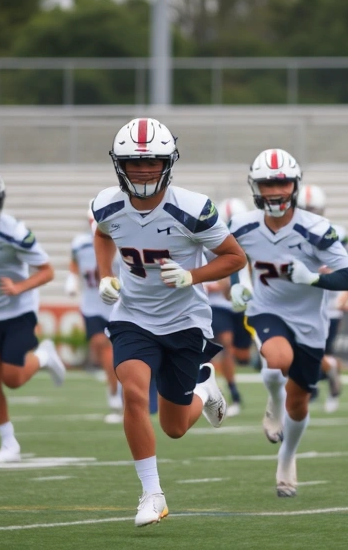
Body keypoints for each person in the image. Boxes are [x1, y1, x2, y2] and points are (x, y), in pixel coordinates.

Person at [90, 118, 245, 526]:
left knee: (174, 426)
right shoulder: (106, 202)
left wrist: (193, 275)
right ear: (118, 164)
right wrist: (105, 273)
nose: (143, 171)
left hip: (184, 320)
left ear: (168, 163)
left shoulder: (192, 208)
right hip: (133, 317)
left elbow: (234, 257)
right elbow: (104, 233)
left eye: (152, 162)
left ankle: (205, 388)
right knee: (135, 393)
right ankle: (151, 494)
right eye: (134, 163)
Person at [228, 148, 348, 497]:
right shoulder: (241, 225)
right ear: (255, 186)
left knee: (298, 401)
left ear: (294, 185)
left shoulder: (316, 229)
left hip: (310, 324)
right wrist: (238, 285)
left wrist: (313, 278)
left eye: (281, 182)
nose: (274, 190)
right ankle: (272, 400)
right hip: (266, 309)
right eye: (267, 183)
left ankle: (287, 457)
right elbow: (229, 256)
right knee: (277, 361)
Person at [0, 167, 65, 463]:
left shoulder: (13, 230)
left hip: (19, 308)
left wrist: (20, 286)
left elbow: (47, 271)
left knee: (12, 378)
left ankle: (43, 355)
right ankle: (9, 443)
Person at [295, 185, 345, 413]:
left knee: (317, 352)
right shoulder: (291, 234)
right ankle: (316, 384)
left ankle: (329, 378)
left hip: (329, 305)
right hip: (301, 303)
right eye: (306, 209)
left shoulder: (336, 234)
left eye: (312, 209)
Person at [68, 216, 123, 423]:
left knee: (109, 351)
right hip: (91, 305)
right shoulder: (80, 243)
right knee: (100, 348)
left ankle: (116, 396)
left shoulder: (120, 241)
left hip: (116, 307)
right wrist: (72, 280)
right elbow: (75, 264)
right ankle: (115, 391)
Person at [204, 197, 251, 416]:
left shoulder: (252, 241)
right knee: (227, 344)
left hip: (241, 305)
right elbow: (198, 272)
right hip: (218, 305)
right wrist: (215, 283)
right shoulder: (207, 243)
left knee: (242, 354)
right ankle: (234, 393)